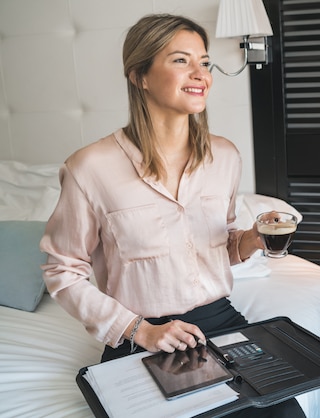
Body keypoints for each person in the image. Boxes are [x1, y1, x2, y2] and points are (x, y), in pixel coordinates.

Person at [40, 13, 305, 418]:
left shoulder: (225, 156)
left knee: (283, 412)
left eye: (205, 61)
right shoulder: (89, 167)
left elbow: (221, 245)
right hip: (140, 334)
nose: (201, 73)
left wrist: (251, 238)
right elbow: (62, 270)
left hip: (219, 320)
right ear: (140, 76)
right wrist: (139, 330)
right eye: (181, 60)